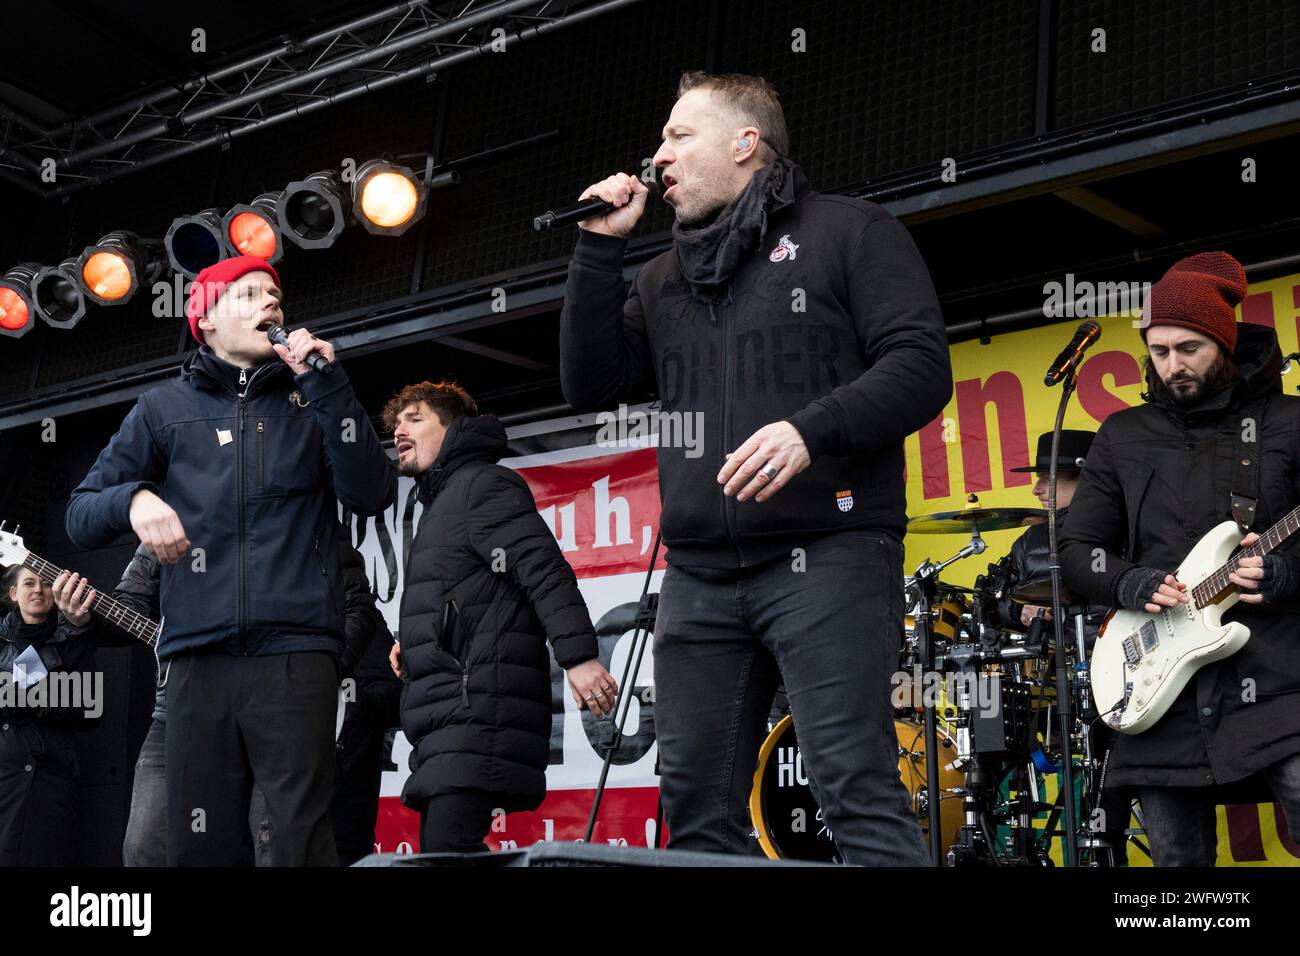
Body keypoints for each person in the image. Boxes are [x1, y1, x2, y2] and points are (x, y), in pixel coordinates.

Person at [559, 72, 952, 864]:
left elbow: (919, 366)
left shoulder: (850, 233)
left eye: (679, 135)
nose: (658, 153)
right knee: (695, 810)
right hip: (700, 575)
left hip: (831, 554)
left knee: (852, 785)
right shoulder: (663, 276)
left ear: (746, 143)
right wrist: (599, 248)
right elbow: (591, 387)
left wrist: (812, 431)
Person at [65, 255, 396, 865]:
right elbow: (80, 513)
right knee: (200, 846)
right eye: (247, 294)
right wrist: (134, 499)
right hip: (197, 662)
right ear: (206, 321)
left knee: (297, 843)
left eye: (274, 293)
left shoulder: (313, 400)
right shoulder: (163, 409)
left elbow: (372, 491)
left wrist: (328, 383)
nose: (269, 301)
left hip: (297, 657)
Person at [1059, 251, 1300, 866]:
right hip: (1155, 686)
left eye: (1189, 348)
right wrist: (1130, 582)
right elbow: (1075, 550)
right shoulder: (1122, 434)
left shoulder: (1286, 423)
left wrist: (1281, 573)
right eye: (1160, 350)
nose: (1173, 366)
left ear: (1222, 340)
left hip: (1276, 681)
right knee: (1177, 867)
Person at [385, 381, 616, 853]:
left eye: (415, 418)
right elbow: (466, 595)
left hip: (475, 714)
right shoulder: (443, 502)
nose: (398, 430)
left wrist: (578, 658)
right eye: (395, 422)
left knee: (446, 850)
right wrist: (415, 640)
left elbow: (543, 570)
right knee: (450, 852)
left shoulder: (481, 485)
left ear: (452, 429)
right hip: (451, 720)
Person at [110, 534, 396, 866]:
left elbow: (354, 605)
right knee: (146, 846)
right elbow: (128, 602)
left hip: (275, 710)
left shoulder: (301, 509)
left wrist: (311, 677)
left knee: (273, 849)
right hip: (180, 710)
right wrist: (79, 620)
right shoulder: (171, 514)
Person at [993, 429, 1129, 865]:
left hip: (1119, 675)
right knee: (989, 711)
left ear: (1084, 478)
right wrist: (1023, 614)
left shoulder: (1127, 527)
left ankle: (1103, 843)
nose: (1035, 489)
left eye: (1048, 479)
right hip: (1049, 682)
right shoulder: (1029, 542)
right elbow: (997, 605)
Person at [0, 565, 99, 865]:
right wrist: (51, 694)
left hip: (52, 775)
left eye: (45, 584)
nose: (38, 590)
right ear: (14, 593)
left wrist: (25, 698)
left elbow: (90, 708)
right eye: (29, 583)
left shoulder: (74, 641)